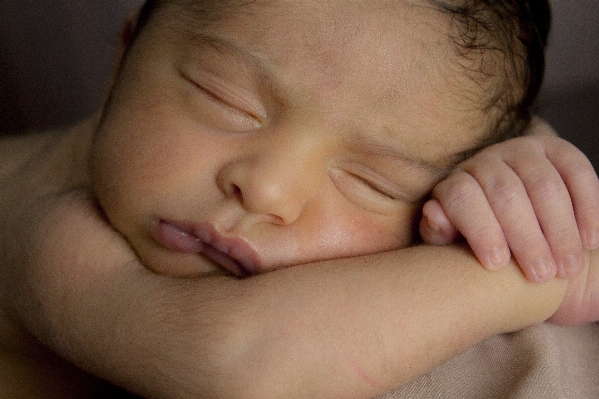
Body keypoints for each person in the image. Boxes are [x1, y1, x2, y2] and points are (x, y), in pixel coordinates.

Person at [1, 0, 598, 398]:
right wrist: (538, 272)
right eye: (227, 100)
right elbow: (242, 362)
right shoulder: (48, 223)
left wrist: (525, 181)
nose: (267, 190)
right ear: (124, 57)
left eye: (373, 181)